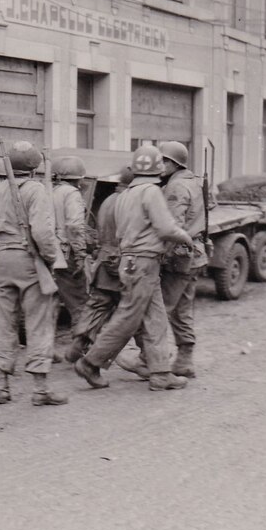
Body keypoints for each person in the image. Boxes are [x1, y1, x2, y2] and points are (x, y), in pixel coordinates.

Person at [73, 145, 194, 392]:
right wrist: (186, 238)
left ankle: (160, 373)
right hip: (144, 262)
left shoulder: (126, 193)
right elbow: (165, 228)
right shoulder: (150, 191)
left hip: (130, 260)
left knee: (156, 317)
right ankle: (90, 362)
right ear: (158, 167)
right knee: (129, 317)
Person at [0, 141, 67, 407]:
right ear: (33, 166)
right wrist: (50, 259)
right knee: (38, 322)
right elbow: (42, 233)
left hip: (3, 260)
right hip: (30, 261)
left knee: (3, 322)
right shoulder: (36, 190)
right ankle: (40, 389)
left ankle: (1, 386)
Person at [113, 141, 208, 380]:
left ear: (174, 163)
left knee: (157, 310)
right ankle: (185, 359)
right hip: (195, 253)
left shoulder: (174, 187)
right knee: (183, 308)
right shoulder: (195, 181)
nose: (159, 165)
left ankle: (148, 359)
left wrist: (159, 254)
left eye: (163, 161)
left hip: (178, 256)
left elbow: (172, 225)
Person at [65, 167, 133, 362]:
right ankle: (146, 357)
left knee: (96, 307)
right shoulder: (128, 201)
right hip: (121, 263)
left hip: (103, 263)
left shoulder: (107, 201)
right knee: (134, 311)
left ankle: (76, 348)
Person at [49, 155, 90, 330]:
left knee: (50, 304)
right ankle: (81, 349)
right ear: (78, 178)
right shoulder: (72, 194)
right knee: (80, 303)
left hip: (50, 252)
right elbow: (74, 226)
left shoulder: (50, 191)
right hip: (67, 254)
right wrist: (80, 254)